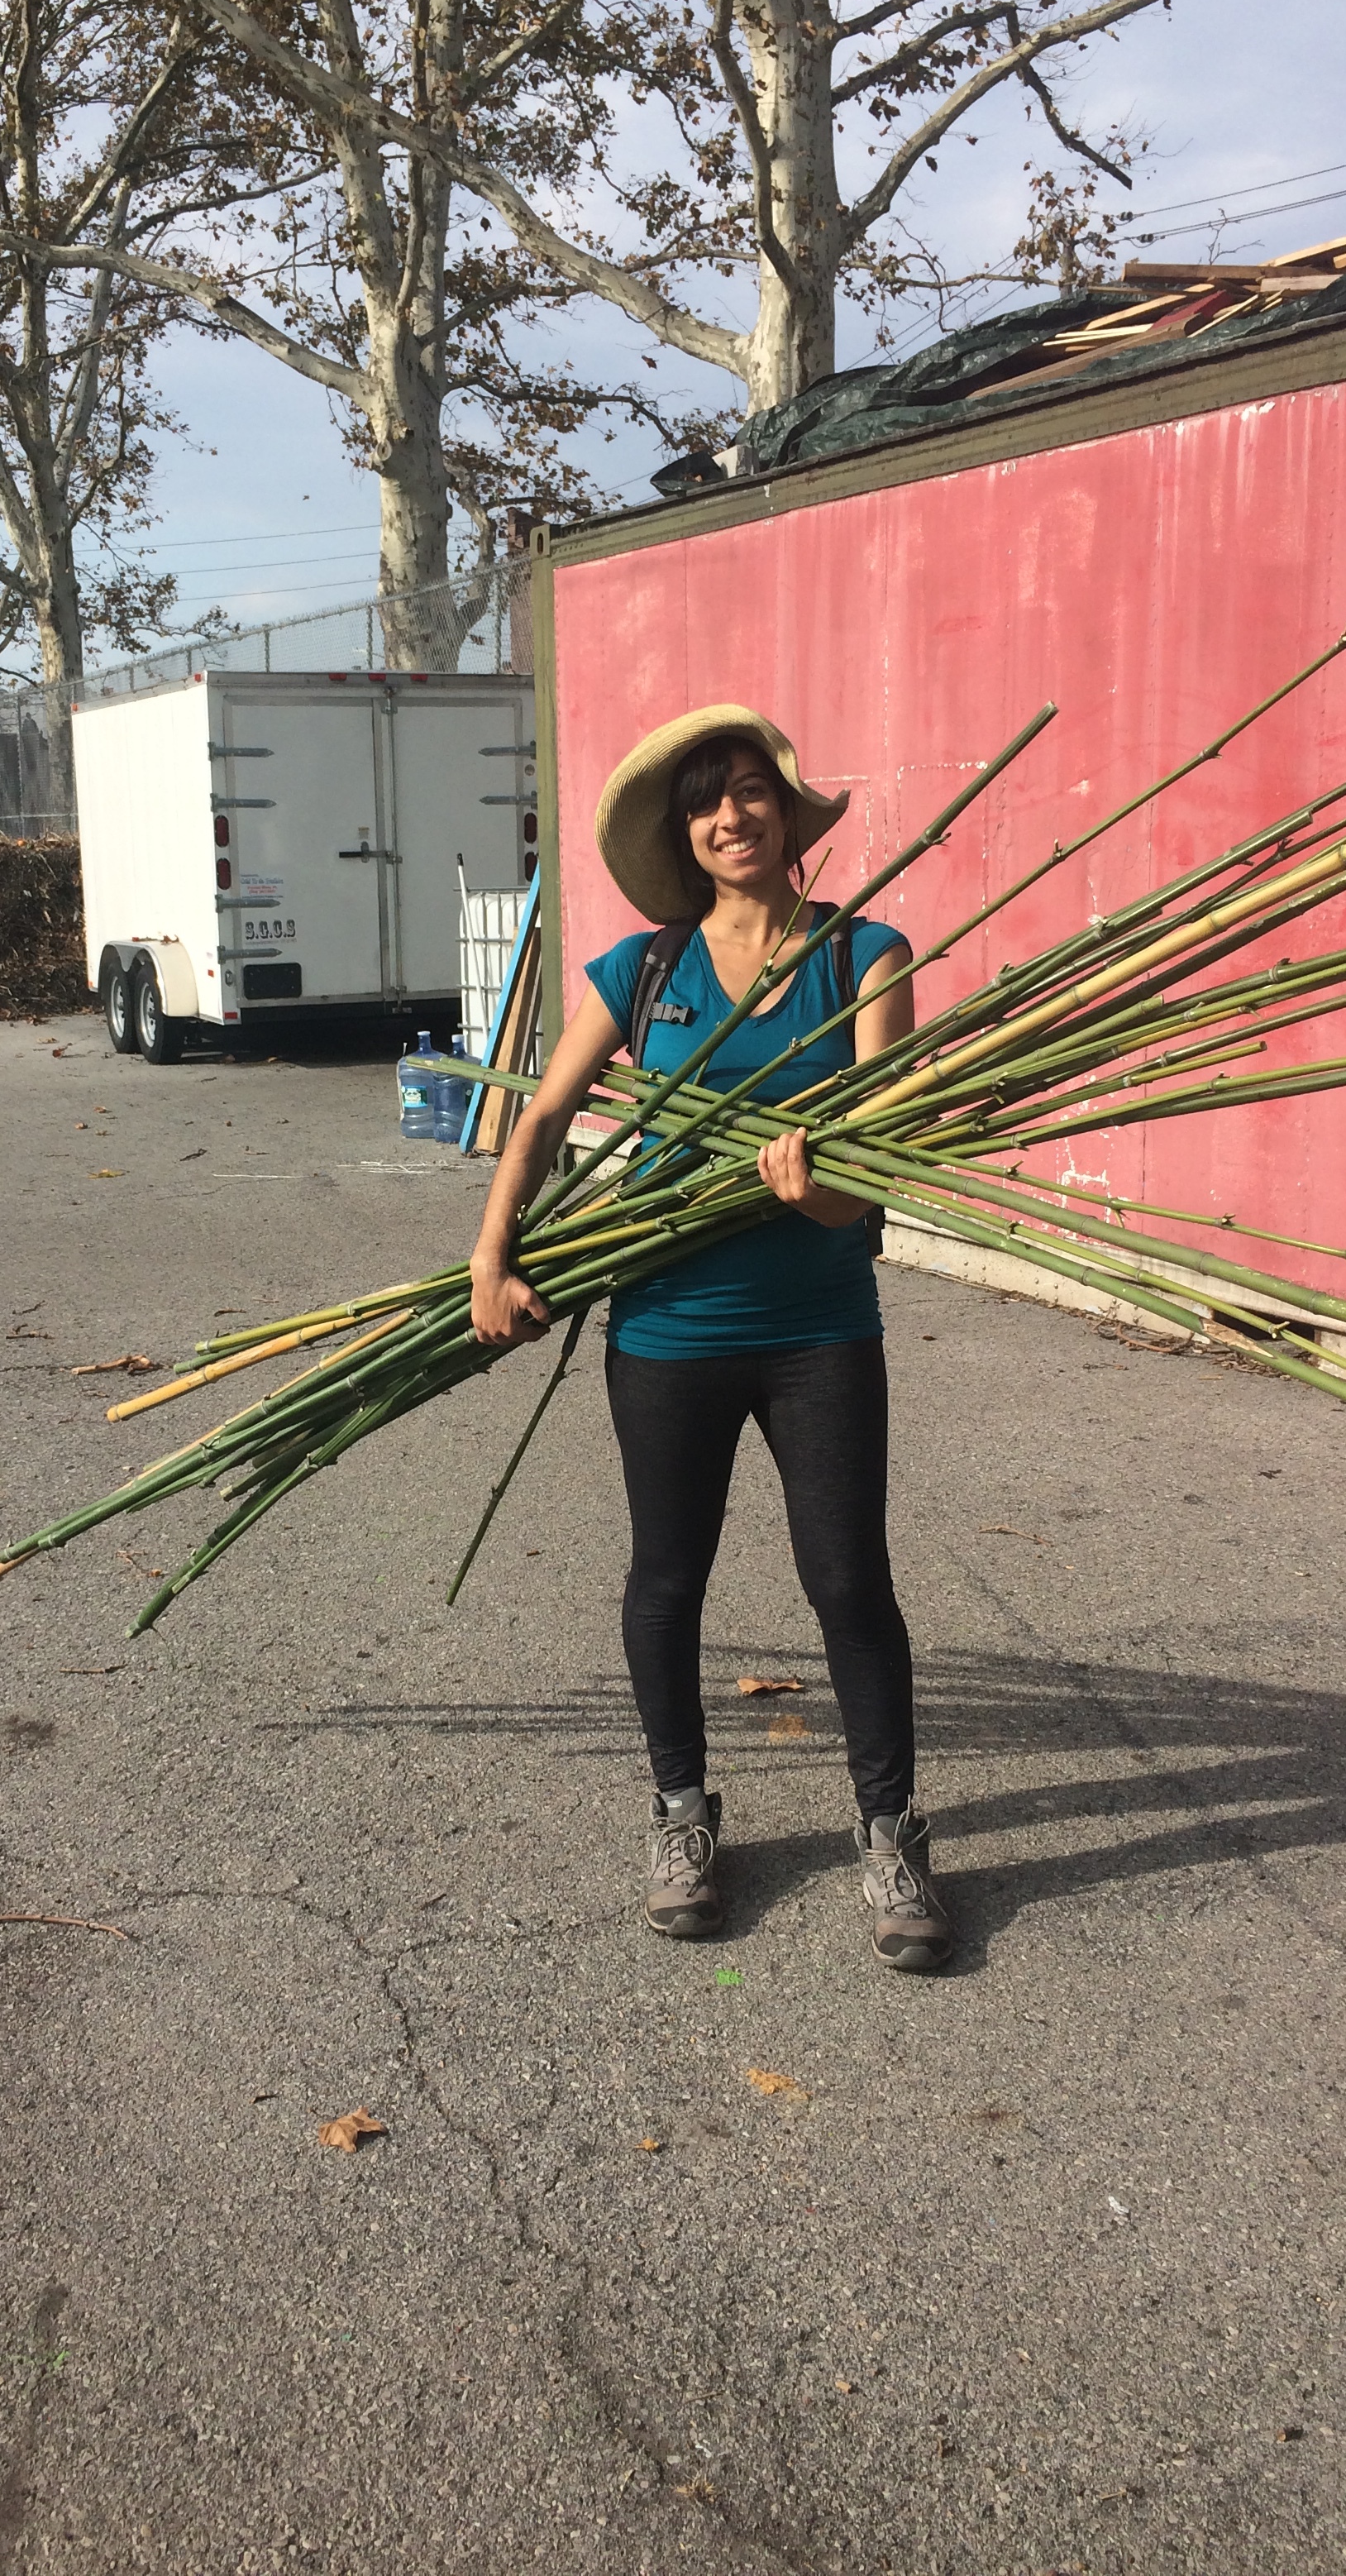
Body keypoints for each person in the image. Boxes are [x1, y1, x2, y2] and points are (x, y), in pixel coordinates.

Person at [468, 705, 952, 1972]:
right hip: (668, 1328)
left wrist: (818, 1189)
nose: (728, 816)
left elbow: (878, 1166)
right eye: (703, 802)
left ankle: (891, 1829)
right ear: (685, 837)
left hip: (818, 1329)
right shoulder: (642, 970)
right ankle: (682, 1813)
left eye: (748, 792)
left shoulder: (868, 956)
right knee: (665, 1578)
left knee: (849, 1583)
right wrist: (493, 1254)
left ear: (789, 815)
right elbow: (539, 1117)